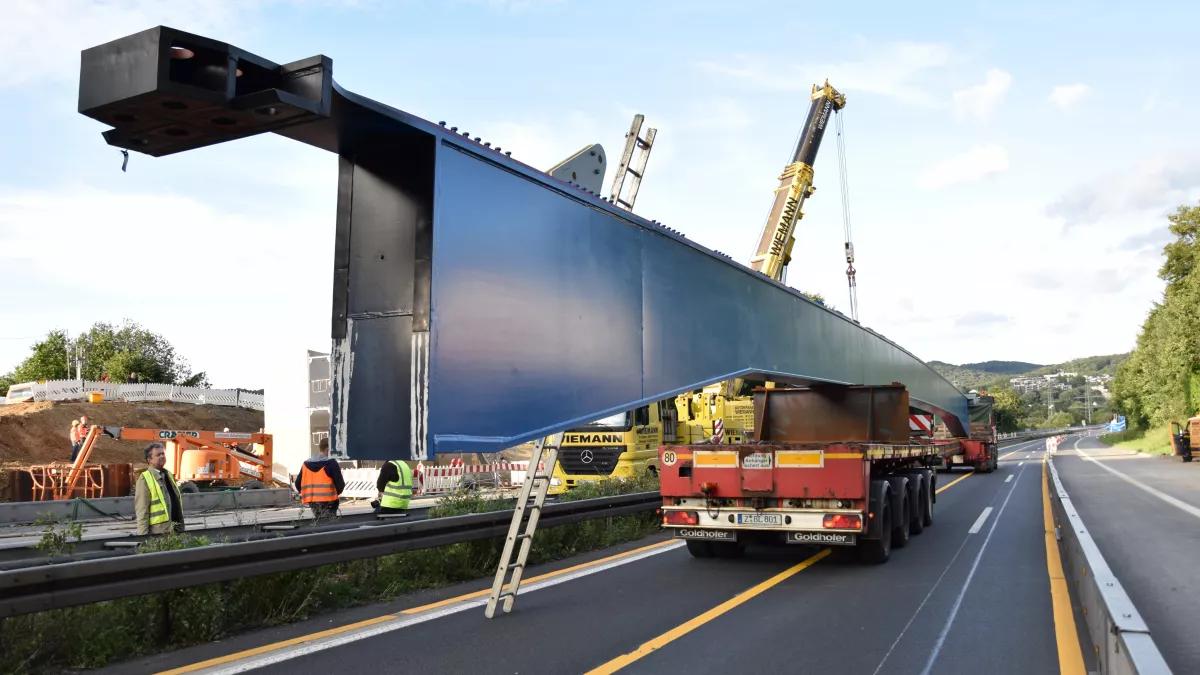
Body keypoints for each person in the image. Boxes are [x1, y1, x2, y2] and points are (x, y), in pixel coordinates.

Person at [134, 443, 185, 536]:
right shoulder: (145, 478)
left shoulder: (168, 475)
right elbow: (142, 511)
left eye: (163, 454)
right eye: (158, 455)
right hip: (159, 533)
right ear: (149, 460)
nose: (162, 456)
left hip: (176, 529)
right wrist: (143, 536)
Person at [295, 438, 344, 520]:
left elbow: (297, 484)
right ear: (327, 449)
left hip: (313, 502)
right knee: (329, 522)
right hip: (329, 501)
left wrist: (309, 494)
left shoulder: (305, 464)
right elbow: (340, 485)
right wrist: (334, 494)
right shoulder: (331, 463)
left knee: (319, 521)